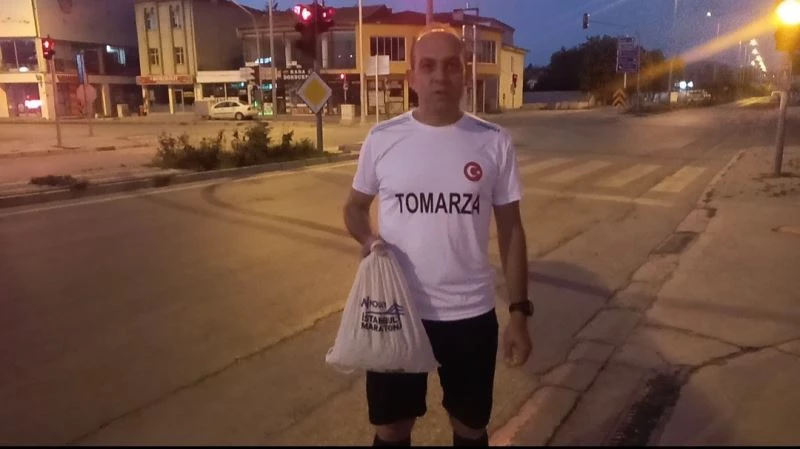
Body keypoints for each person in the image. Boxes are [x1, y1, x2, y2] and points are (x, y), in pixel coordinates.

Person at [343, 24, 533, 447]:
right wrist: (369, 240)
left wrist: (519, 314)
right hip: (396, 311)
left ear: (465, 74)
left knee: (470, 427)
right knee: (391, 430)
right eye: (428, 66)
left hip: (470, 314)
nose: (440, 76)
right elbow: (354, 208)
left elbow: (512, 230)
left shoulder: (494, 142)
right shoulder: (382, 139)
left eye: (451, 66)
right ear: (411, 77)